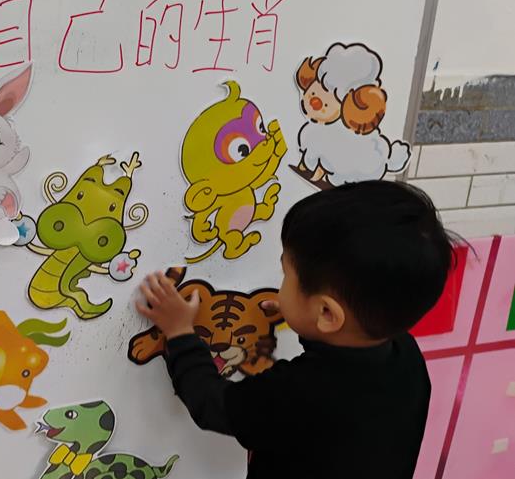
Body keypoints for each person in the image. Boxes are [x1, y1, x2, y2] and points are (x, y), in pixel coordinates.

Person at [137, 180, 458, 479]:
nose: (281, 287)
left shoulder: (300, 391)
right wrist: (302, 313)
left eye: (286, 276)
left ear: (327, 314)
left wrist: (179, 331)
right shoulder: (406, 357)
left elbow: (213, 405)